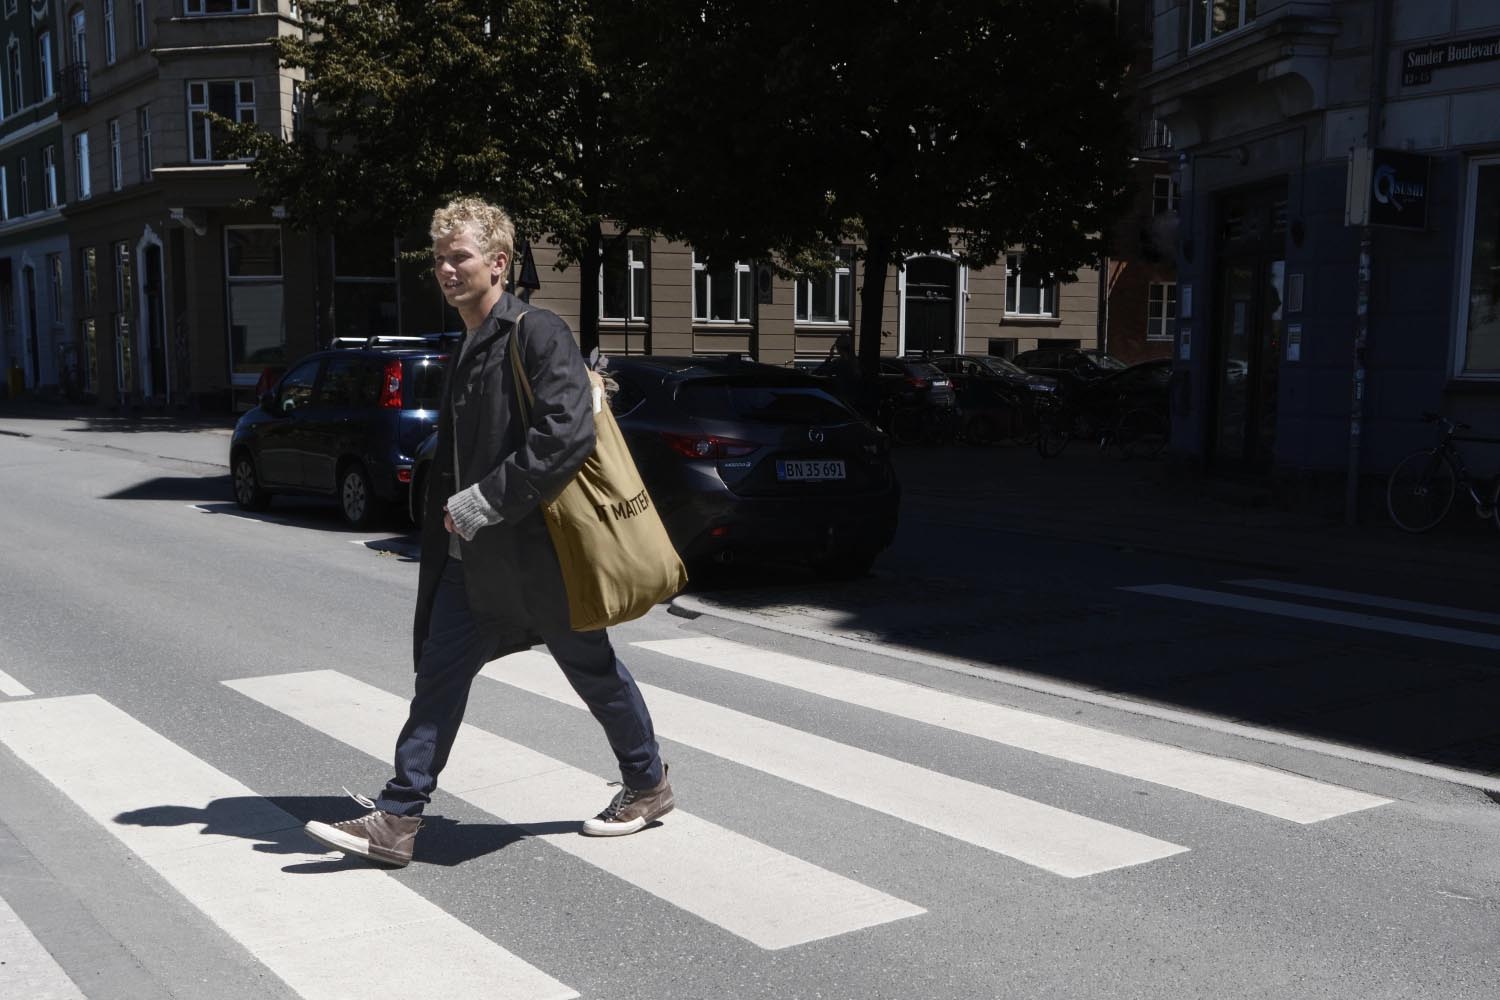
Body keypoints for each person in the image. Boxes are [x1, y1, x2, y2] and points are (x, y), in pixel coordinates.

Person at [304, 196, 673, 867]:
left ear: (498, 263)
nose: (446, 270)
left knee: (593, 671)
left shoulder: (537, 332)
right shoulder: (469, 342)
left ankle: (647, 784)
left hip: (541, 559)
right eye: (439, 259)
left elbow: (565, 434)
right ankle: (398, 818)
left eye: (460, 257)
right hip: (473, 562)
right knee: (438, 681)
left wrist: (485, 501)